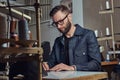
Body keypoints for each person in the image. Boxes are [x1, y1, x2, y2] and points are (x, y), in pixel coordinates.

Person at [43, 5, 101, 71]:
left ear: (69, 17)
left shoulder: (88, 35)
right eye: (56, 24)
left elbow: (96, 64)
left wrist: (73, 68)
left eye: (61, 21)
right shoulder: (57, 41)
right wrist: (46, 65)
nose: (58, 26)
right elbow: (51, 62)